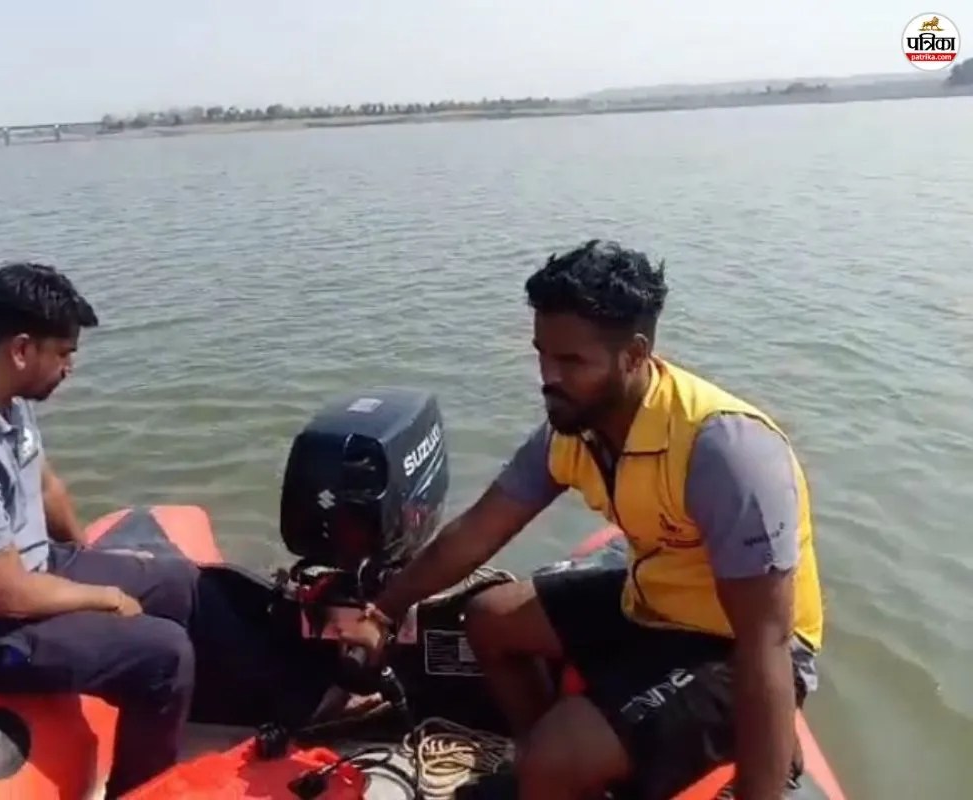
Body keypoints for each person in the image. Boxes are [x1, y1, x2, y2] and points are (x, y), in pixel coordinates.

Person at [343, 240, 824, 800]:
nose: (548, 376)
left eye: (571, 362)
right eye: (542, 354)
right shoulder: (573, 429)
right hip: (655, 599)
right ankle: (550, 773)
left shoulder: (724, 452)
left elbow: (766, 640)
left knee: (556, 757)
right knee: (490, 619)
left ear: (634, 354)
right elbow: (478, 530)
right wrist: (383, 611)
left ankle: (561, 766)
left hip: (730, 639)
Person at [0, 262, 338, 798]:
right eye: (63, 354)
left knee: (181, 583)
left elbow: (46, 487)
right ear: (22, 349)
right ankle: (138, 791)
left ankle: (267, 702)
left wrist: (93, 558)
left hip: (31, 570)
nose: (70, 368)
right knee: (163, 654)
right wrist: (105, 597)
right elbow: (4, 595)